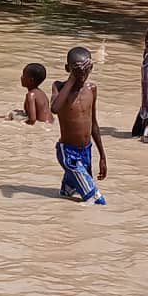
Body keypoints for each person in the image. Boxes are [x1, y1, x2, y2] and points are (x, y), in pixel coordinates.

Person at [50, 47, 106, 205]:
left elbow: (93, 123)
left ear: (91, 68)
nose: (82, 75)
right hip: (68, 153)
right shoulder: (59, 87)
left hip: (86, 151)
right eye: (77, 70)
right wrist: (72, 78)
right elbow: (54, 108)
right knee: (97, 202)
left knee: (69, 195)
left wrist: (102, 156)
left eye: (85, 70)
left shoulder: (91, 89)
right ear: (67, 69)